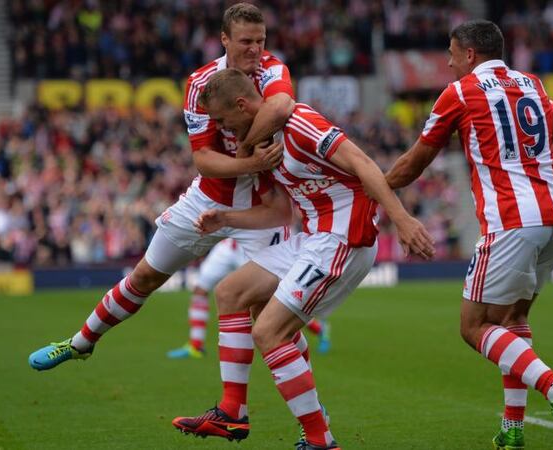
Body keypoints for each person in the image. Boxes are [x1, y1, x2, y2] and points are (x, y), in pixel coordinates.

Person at [170, 68, 435, 450]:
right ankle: (232, 413)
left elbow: (362, 164)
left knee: (268, 331)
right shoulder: (265, 146)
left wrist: (402, 219)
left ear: (242, 106)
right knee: (230, 292)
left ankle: (320, 441)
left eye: (224, 120)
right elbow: (278, 215)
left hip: (343, 238)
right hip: (311, 238)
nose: (223, 130)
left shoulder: (300, 123)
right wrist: (224, 219)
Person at [28, 3, 295, 371]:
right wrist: (251, 160)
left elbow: (280, 107)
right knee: (145, 275)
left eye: (260, 41)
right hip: (209, 197)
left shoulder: (273, 69)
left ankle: (311, 424)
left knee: (271, 317)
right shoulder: (200, 83)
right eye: (246, 41)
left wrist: (248, 145)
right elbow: (204, 160)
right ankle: (79, 343)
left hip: (264, 209)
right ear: (224, 39)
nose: (255, 49)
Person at [385, 20, 553, 450]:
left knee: (474, 326)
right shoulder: (532, 83)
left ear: (470, 54)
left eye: (452, 53)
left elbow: (414, 163)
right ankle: (513, 430)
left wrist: (375, 189)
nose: (449, 61)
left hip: (513, 219)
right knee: (514, 320)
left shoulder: (459, 92)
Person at [167, 238, 333, 359]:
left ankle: (319, 329)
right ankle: (196, 345)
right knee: (200, 289)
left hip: (254, 245)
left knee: (273, 304)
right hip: (228, 245)